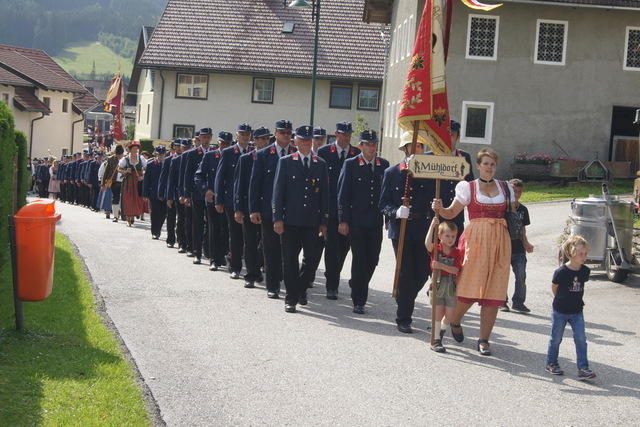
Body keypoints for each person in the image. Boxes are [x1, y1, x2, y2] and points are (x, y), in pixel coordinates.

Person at [431, 147, 515, 356]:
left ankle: (484, 339)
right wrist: (439, 209)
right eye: (485, 164)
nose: (489, 168)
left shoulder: (506, 188)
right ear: (478, 166)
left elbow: (514, 216)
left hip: (500, 242)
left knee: (494, 292)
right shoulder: (468, 187)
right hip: (476, 242)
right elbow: (451, 212)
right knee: (466, 287)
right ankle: (451, 322)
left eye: (492, 164)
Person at [380, 132, 435, 333]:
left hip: (423, 228)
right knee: (406, 274)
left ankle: (404, 296)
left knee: (422, 272)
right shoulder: (392, 172)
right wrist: (396, 212)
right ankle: (404, 317)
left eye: (421, 146)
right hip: (401, 229)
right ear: (405, 149)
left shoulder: (429, 173)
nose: (418, 150)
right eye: (414, 146)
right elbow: (383, 203)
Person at [272, 126, 329, 313]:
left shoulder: (320, 163)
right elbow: (278, 193)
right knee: (289, 260)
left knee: (311, 259)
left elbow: (324, 197)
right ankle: (291, 298)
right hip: (290, 221)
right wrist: (277, 218)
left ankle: (300, 288)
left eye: (308, 140)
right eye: (302, 140)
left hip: (311, 222)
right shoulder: (286, 162)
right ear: (295, 141)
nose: (305, 143)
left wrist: (324, 221)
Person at [337, 130, 389, 314]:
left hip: (375, 221)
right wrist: (343, 220)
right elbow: (343, 194)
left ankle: (357, 282)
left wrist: (388, 218)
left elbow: (387, 195)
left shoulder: (383, 165)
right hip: (356, 221)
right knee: (360, 259)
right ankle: (359, 300)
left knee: (373, 259)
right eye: (367, 144)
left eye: (373, 144)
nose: (371, 147)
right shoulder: (351, 164)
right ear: (361, 146)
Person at [249, 120, 297, 298]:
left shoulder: (295, 153)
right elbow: (255, 184)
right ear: (275, 134)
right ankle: (273, 285)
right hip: (269, 209)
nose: (286, 135)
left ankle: (289, 282)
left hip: (292, 210)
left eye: (288, 132)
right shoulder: (263, 155)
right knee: (271, 249)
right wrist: (253, 209)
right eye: (282, 132)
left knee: (290, 250)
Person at [317, 121, 361, 300]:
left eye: (349, 133)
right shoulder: (324, 152)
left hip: (350, 210)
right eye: (343, 133)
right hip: (331, 209)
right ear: (336, 134)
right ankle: (332, 285)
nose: (347, 137)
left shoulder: (356, 153)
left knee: (344, 248)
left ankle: (333, 273)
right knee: (332, 247)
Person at [545, 235, 596, 380]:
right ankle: (551, 363)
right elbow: (555, 288)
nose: (584, 256)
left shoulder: (585, 271)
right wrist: (561, 300)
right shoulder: (561, 272)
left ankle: (583, 368)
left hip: (577, 311)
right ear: (571, 253)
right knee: (555, 338)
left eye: (585, 253)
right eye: (581, 253)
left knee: (581, 339)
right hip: (560, 311)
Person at [215, 123, 253, 279]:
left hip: (249, 200)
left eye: (247, 134)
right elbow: (220, 176)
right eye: (242, 134)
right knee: (235, 234)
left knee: (250, 236)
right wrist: (219, 200)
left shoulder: (253, 152)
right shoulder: (229, 152)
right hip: (232, 199)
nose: (245, 137)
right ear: (237, 135)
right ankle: (235, 267)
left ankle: (252, 267)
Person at [235, 126, 271, 288]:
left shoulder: (274, 157)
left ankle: (260, 268)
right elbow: (240, 185)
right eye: (260, 139)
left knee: (266, 242)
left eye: (266, 139)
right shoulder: (246, 158)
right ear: (254, 141)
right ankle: (251, 274)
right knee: (249, 241)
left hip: (268, 207)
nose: (263, 142)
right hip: (249, 205)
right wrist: (238, 208)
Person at [425, 219, 463, 353]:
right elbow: (427, 244)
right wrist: (432, 225)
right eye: (447, 236)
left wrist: (440, 265)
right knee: (438, 313)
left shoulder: (457, 252)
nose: (451, 239)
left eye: (453, 236)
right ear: (440, 236)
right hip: (438, 285)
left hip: (451, 286)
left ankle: (441, 330)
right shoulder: (437, 249)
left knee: (450, 315)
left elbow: (455, 270)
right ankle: (435, 340)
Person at [431, 120, 474, 241]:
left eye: (451, 135)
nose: (448, 139)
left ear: (458, 137)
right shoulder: (431, 157)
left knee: (456, 254)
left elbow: (469, 184)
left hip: (456, 215)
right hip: (435, 216)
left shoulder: (464, 157)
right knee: (435, 254)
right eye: (445, 135)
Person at [196, 131, 232, 270]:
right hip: (213, 198)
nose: (224, 146)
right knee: (214, 229)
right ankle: (214, 259)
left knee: (227, 230)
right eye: (222, 143)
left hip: (228, 199)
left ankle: (222, 254)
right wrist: (206, 190)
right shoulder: (210, 156)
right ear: (218, 142)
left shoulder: (234, 156)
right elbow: (199, 176)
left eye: (227, 143)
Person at [501, 178, 534, 313]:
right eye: (514, 191)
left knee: (521, 276)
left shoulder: (523, 210)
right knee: (502, 276)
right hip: (504, 247)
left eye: (519, 191)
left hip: (519, 249)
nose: (516, 193)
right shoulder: (502, 208)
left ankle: (518, 302)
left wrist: (526, 243)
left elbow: (522, 229)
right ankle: (502, 301)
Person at [184, 128, 212, 264]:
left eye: (208, 137)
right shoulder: (193, 153)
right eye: (204, 137)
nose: (206, 140)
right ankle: (197, 252)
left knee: (211, 224)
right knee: (198, 223)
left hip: (211, 194)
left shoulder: (214, 152)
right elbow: (189, 175)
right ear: (199, 138)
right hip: (197, 194)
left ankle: (208, 249)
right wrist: (186, 194)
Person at [160, 140, 184, 248]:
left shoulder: (186, 158)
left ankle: (181, 239)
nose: (178, 148)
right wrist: (163, 193)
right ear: (173, 147)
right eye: (176, 146)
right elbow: (164, 178)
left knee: (181, 218)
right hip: (171, 193)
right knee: (171, 217)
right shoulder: (169, 160)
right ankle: (170, 239)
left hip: (182, 194)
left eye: (180, 146)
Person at [118, 141, 147, 226]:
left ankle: (134, 215)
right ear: (130, 149)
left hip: (138, 181)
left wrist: (143, 176)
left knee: (137, 199)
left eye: (137, 148)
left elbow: (147, 168)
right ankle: (128, 218)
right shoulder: (125, 159)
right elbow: (119, 169)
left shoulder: (141, 158)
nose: (136, 150)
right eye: (134, 148)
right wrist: (125, 171)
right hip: (129, 181)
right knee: (128, 199)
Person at [143, 145, 168, 240]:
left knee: (164, 213)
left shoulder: (168, 163)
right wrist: (145, 194)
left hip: (165, 193)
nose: (161, 156)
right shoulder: (150, 164)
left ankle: (159, 228)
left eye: (162, 154)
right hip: (153, 193)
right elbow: (146, 180)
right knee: (155, 213)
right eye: (159, 154)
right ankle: (155, 232)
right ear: (156, 154)